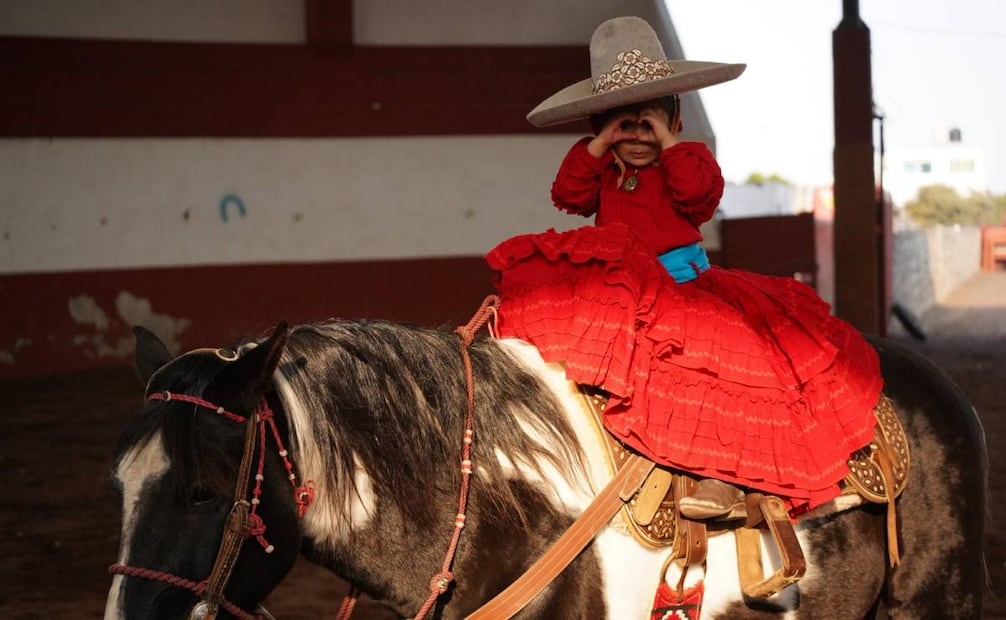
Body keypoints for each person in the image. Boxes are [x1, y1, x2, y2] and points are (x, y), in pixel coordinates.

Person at [486, 16, 883, 520]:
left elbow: (698, 198)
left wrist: (667, 145)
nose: (637, 135)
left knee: (710, 372)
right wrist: (601, 143)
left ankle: (723, 475)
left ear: (674, 120)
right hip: (622, 292)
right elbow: (568, 195)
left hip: (682, 288)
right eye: (622, 124)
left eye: (649, 123)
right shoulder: (602, 169)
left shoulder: (688, 157)